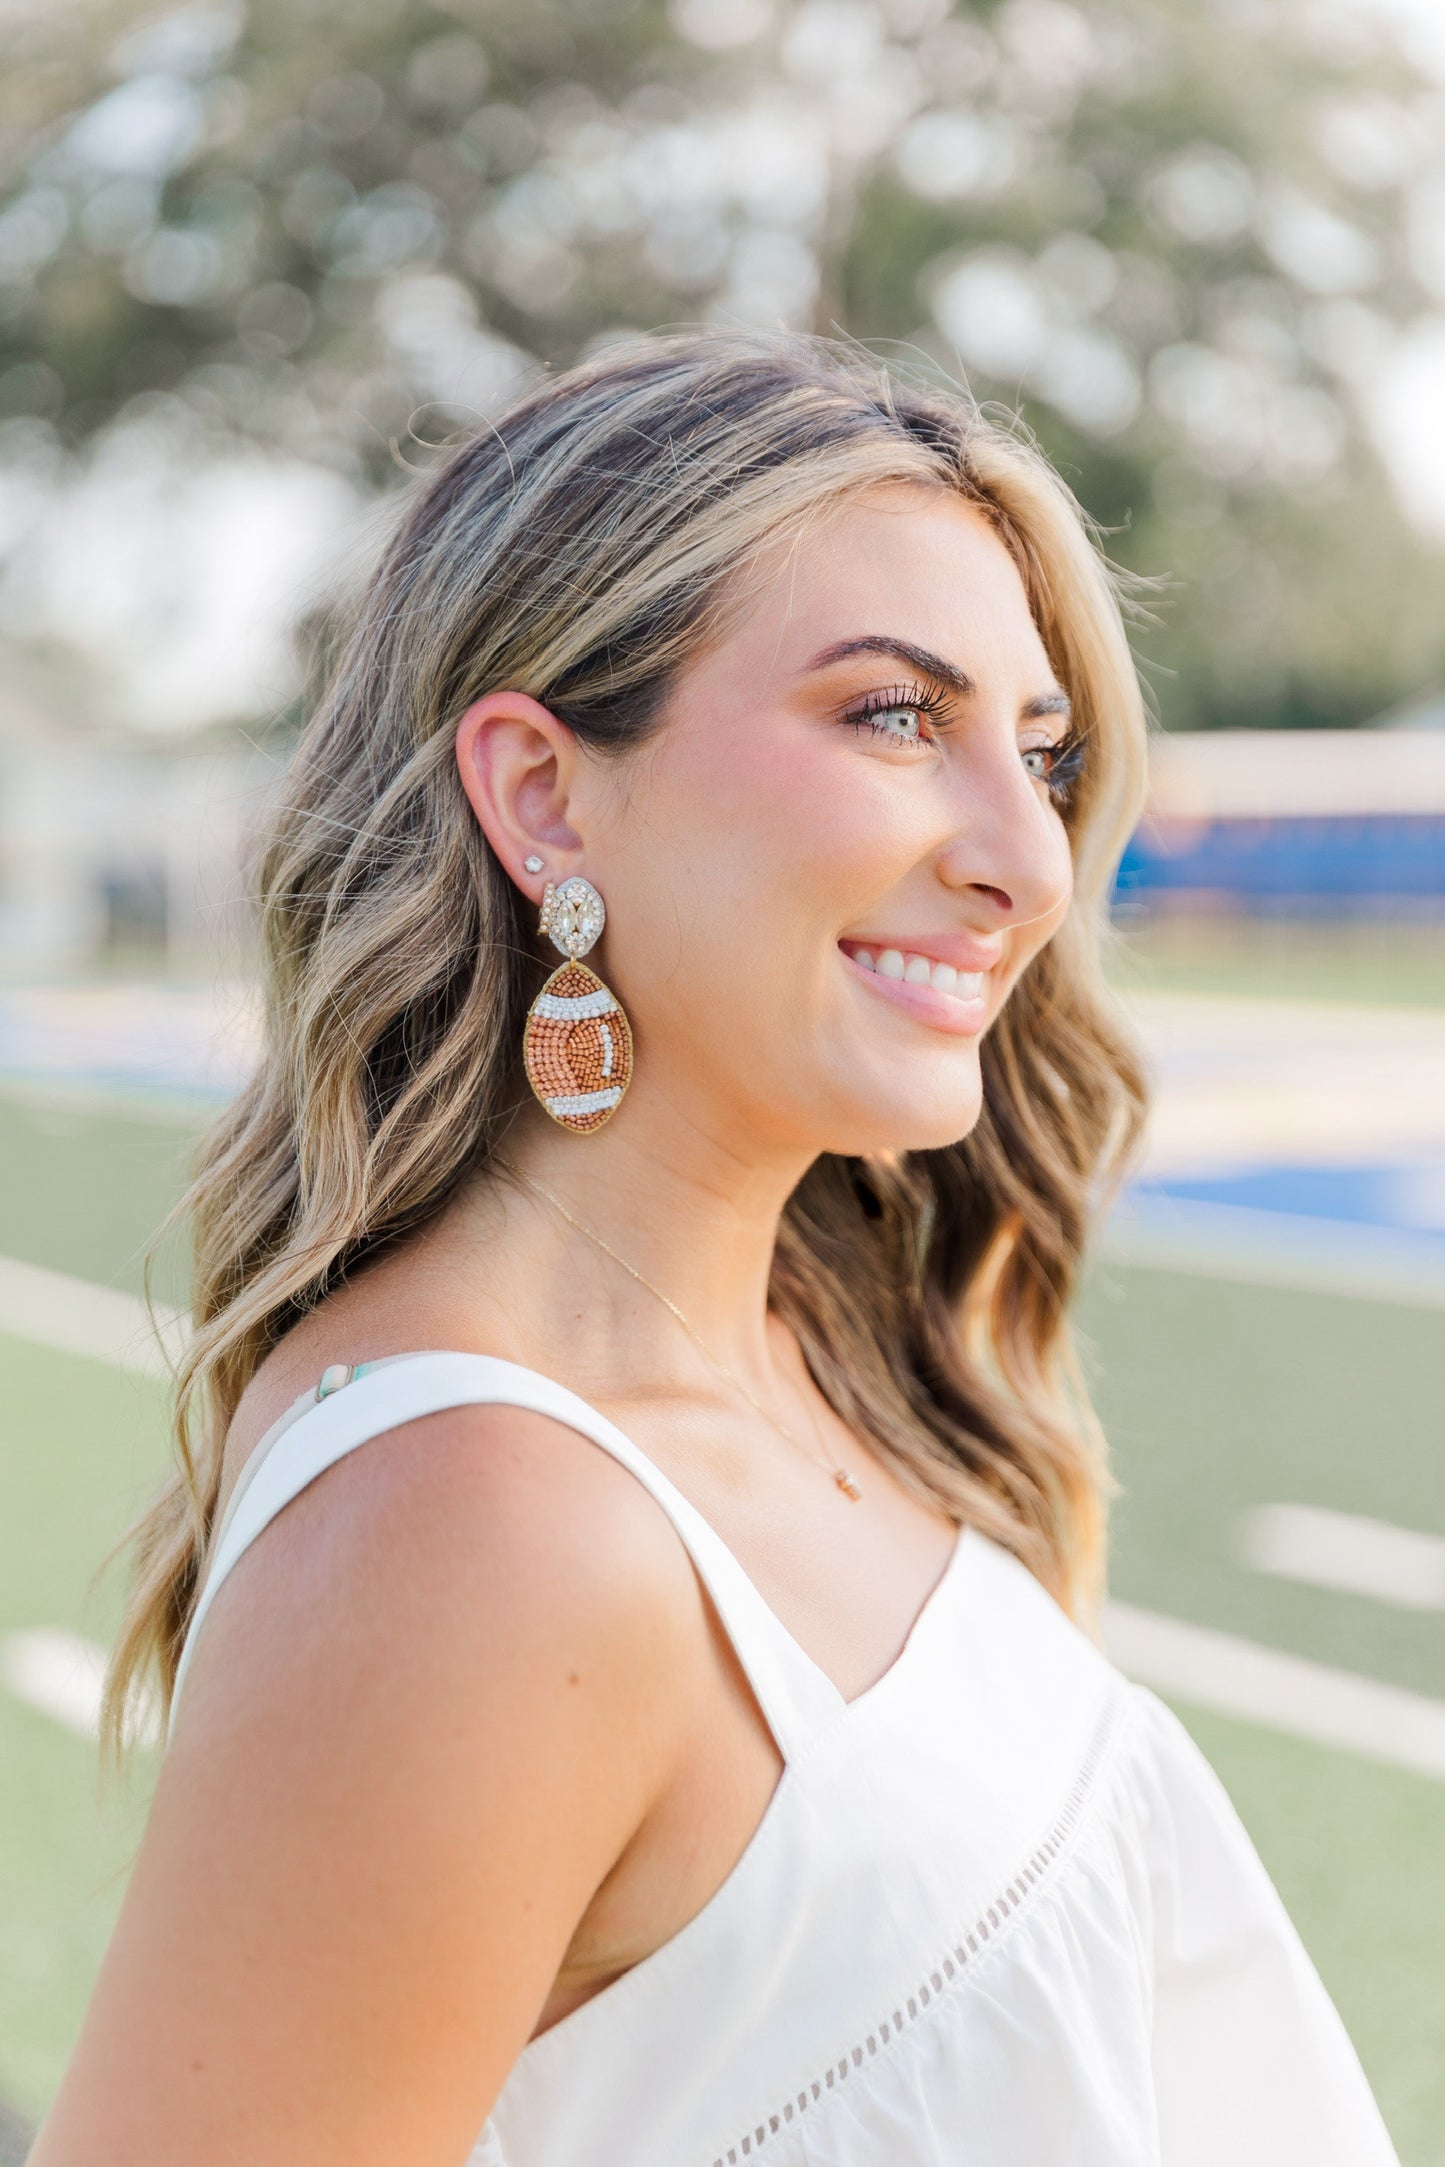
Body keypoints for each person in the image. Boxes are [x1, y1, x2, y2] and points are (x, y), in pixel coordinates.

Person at [33, 334, 1397, 2167]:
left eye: (1042, 748)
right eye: (892, 716)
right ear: (542, 795)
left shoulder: (827, 1358)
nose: (1031, 859)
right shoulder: (474, 1523)